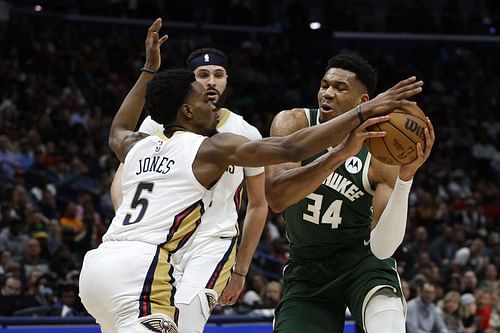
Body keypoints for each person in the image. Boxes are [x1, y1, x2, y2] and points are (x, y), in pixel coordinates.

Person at [79, 19, 423, 333]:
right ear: (186, 111)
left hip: (98, 267)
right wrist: (362, 114)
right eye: (203, 100)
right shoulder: (210, 148)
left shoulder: (138, 144)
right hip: (143, 270)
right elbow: (289, 149)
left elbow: (117, 129)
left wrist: (148, 70)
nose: (213, 104)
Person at [265, 54, 435, 333]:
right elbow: (277, 198)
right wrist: (340, 153)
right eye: (324, 85)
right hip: (307, 268)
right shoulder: (293, 123)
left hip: (363, 262)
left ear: (362, 101)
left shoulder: (382, 148)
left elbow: (383, 249)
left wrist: (406, 178)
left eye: (340, 88)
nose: (328, 93)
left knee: (389, 325)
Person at [109, 44, 269, 332]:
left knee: (185, 321)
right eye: (203, 74)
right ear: (189, 85)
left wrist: (241, 270)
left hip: (211, 242)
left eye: (218, 74)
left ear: (227, 80)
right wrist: (137, 232)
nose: (211, 81)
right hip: (161, 244)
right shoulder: (156, 123)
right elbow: (123, 179)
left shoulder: (245, 132)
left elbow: (258, 204)